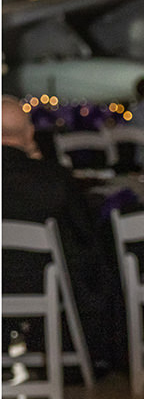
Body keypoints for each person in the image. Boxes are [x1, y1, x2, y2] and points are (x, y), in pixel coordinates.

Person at [1, 95, 112, 374]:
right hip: (46, 283)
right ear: (29, 132)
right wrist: (38, 160)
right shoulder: (54, 178)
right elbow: (83, 232)